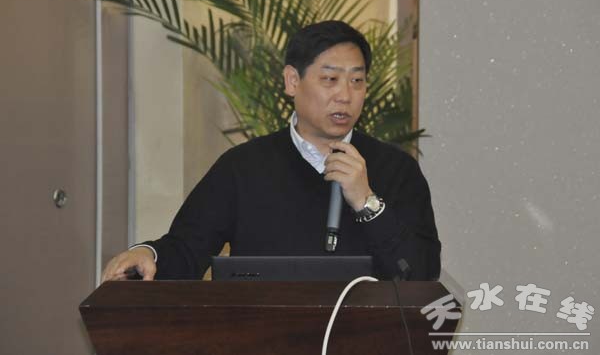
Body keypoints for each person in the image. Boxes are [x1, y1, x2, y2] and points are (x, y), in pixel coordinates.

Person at [101, 20, 441, 282]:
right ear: (292, 81)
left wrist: (368, 203)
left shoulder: (397, 169)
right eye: (330, 79)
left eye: (357, 81)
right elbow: (187, 249)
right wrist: (148, 255)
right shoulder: (243, 167)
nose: (345, 95)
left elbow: (422, 273)